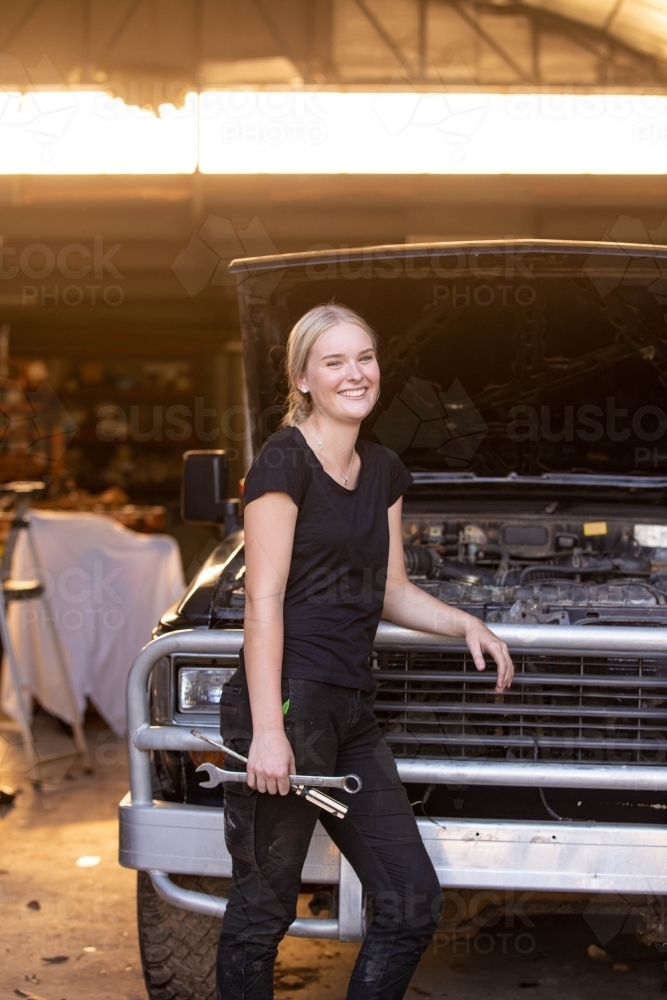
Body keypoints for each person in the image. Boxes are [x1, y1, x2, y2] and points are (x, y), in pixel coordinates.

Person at [217, 303, 514, 1000]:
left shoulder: (381, 469)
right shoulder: (282, 462)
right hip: (287, 705)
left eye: (365, 357)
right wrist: (266, 731)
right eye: (334, 361)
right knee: (263, 913)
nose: (355, 374)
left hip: (350, 711)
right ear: (303, 379)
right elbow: (260, 602)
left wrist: (464, 623)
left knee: (410, 902)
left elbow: (389, 590)